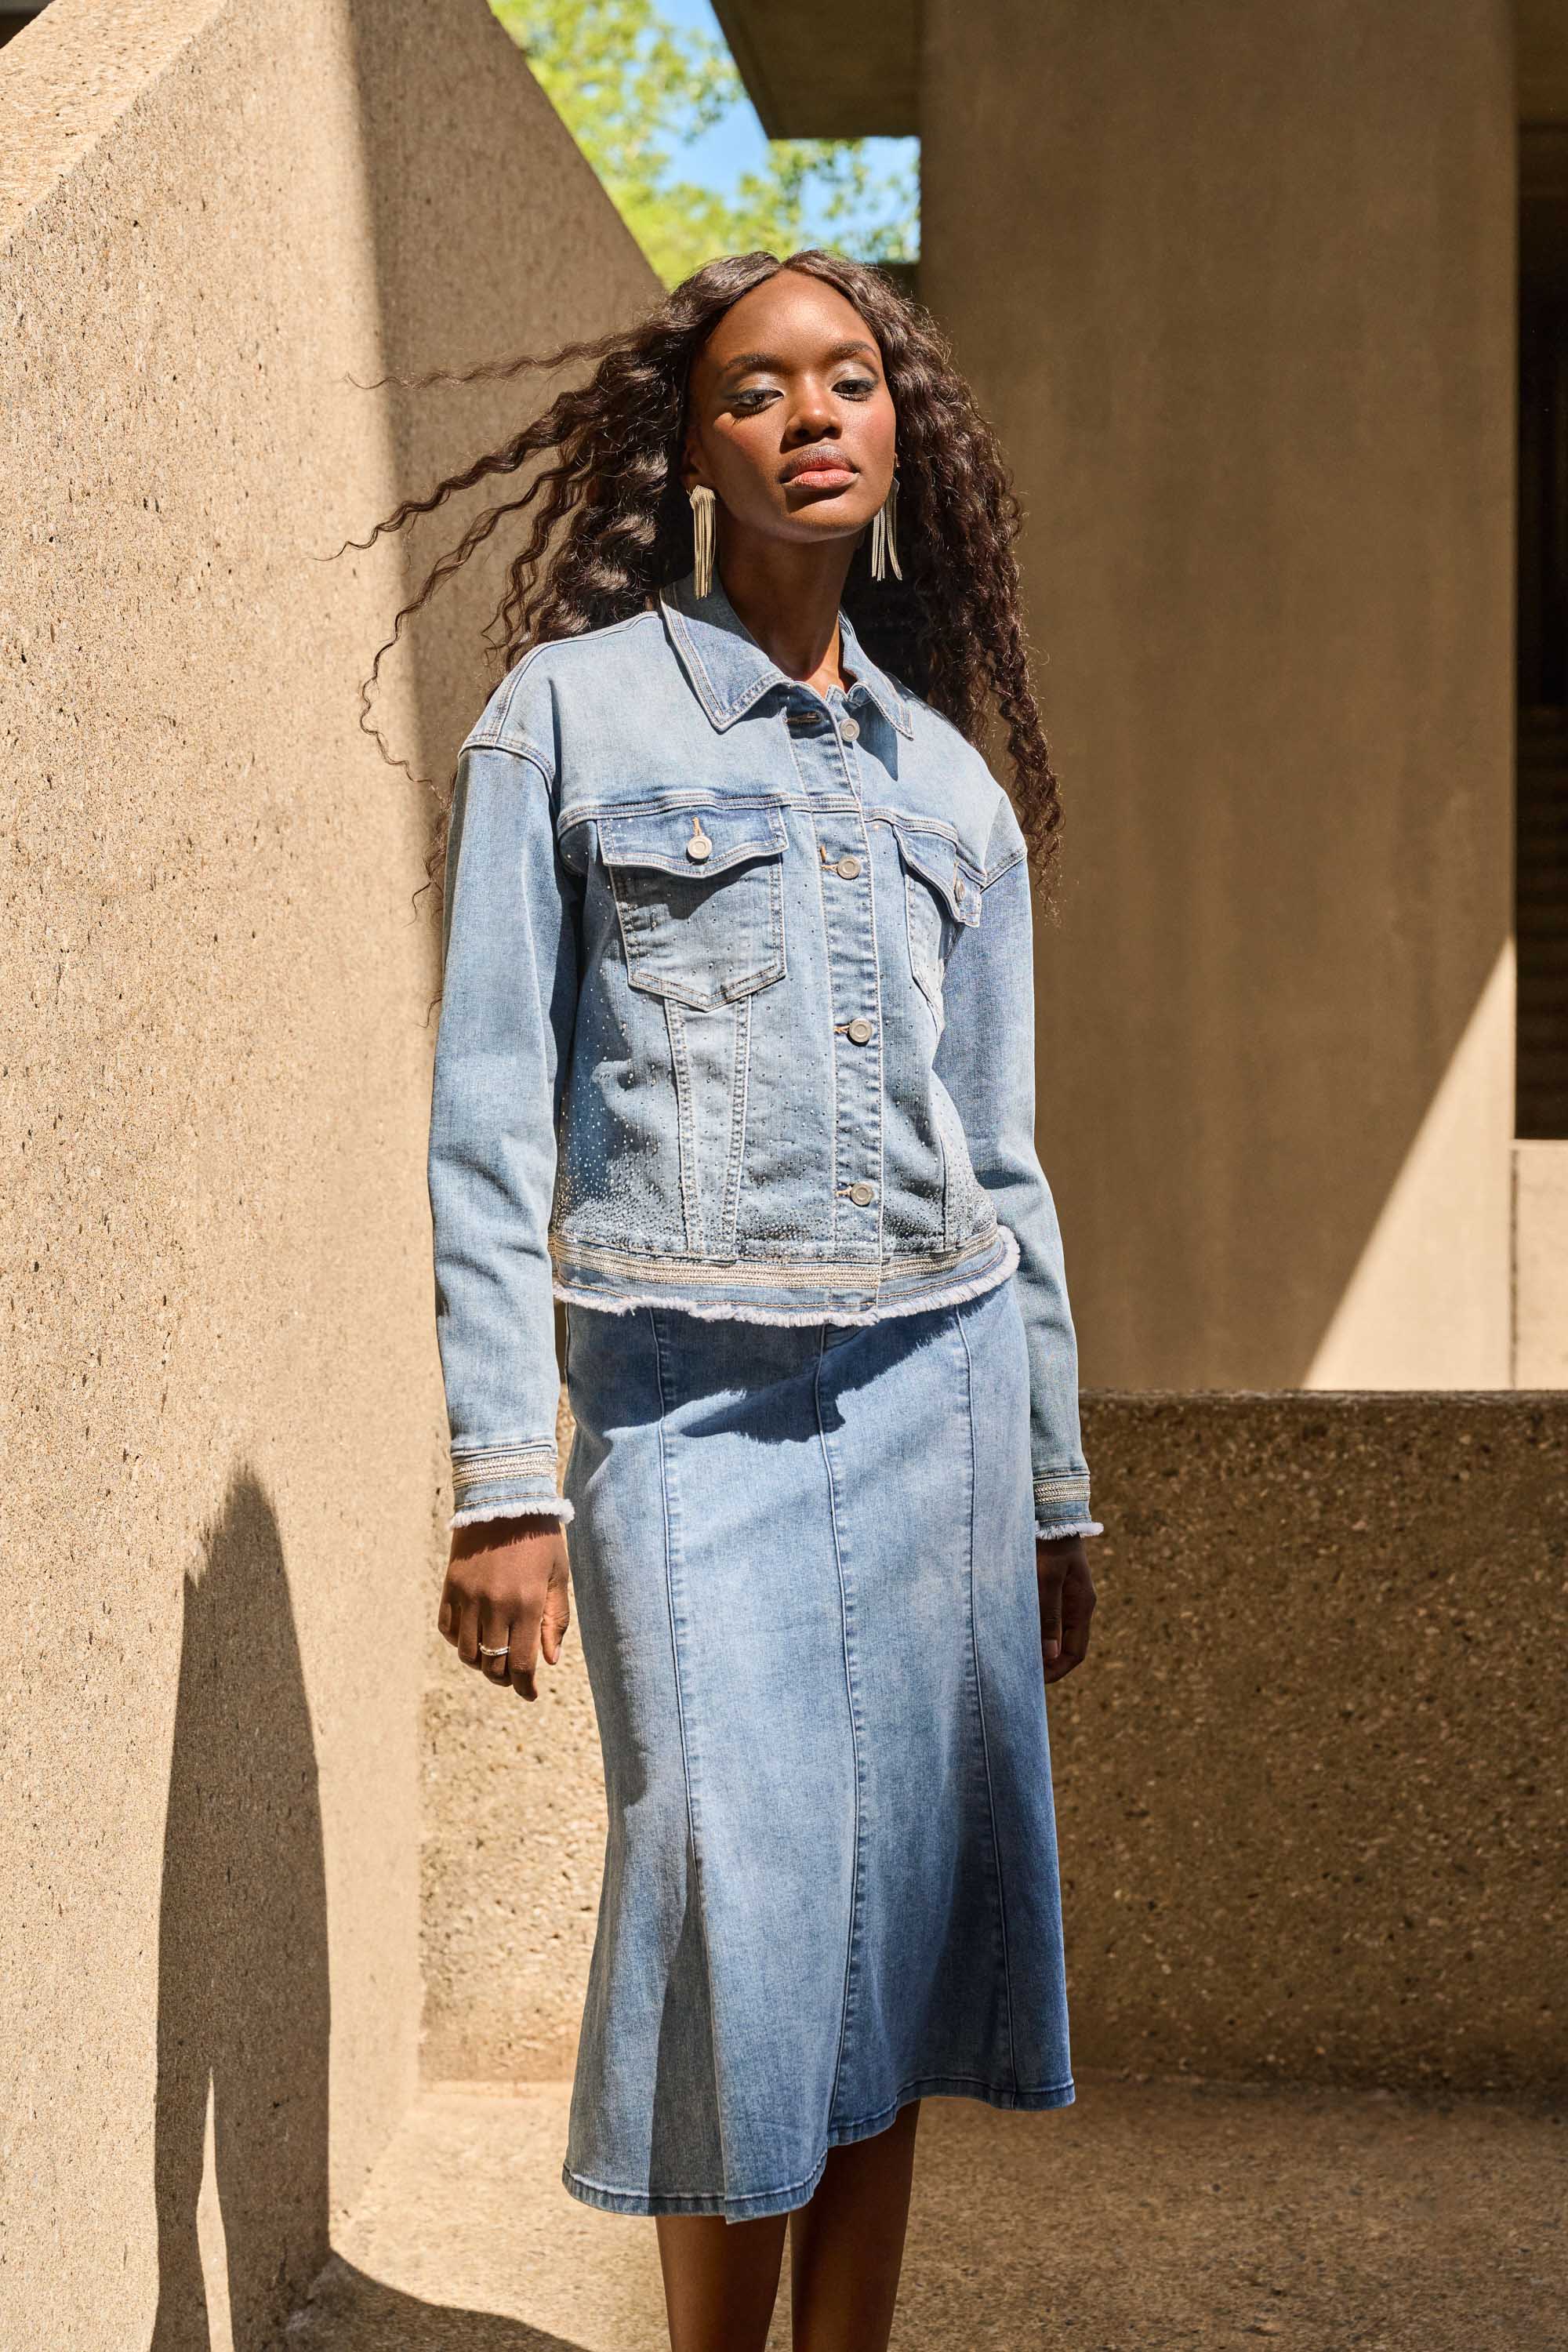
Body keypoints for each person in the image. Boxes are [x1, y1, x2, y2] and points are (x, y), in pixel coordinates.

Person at [370, 247, 1102, 2352]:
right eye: (761, 385)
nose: (811, 413)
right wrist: (505, 1478)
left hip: (945, 1413)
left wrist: (1054, 1492)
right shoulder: (570, 723)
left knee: (900, 1945)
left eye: (852, 380)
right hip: (689, 1420)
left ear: (900, 437)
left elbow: (1012, 1163)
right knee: (729, 1914)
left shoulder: (954, 789)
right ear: (692, 442)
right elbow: (492, 1120)